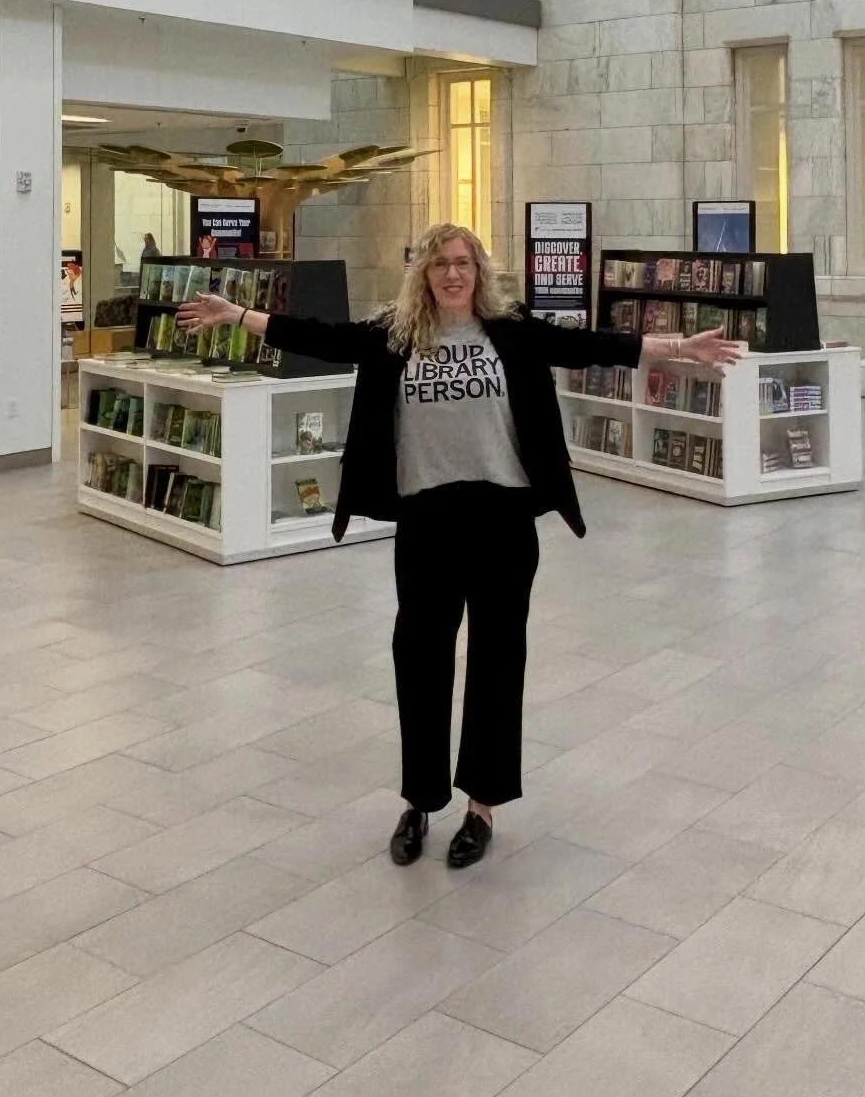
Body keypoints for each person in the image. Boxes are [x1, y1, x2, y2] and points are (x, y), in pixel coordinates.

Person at [178, 221, 742, 871]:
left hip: (503, 519)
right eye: (441, 263)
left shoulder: (510, 330)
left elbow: (588, 344)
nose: (452, 273)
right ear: (424, 273)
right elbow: (319, 336)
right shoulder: (395, 336)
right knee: (419, 659)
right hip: (428, 520)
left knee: (498, 662)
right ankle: (419, 800)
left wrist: (678, 347)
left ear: (480, 273)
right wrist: (236, 314)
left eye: (463, 263)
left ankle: (482, 807)